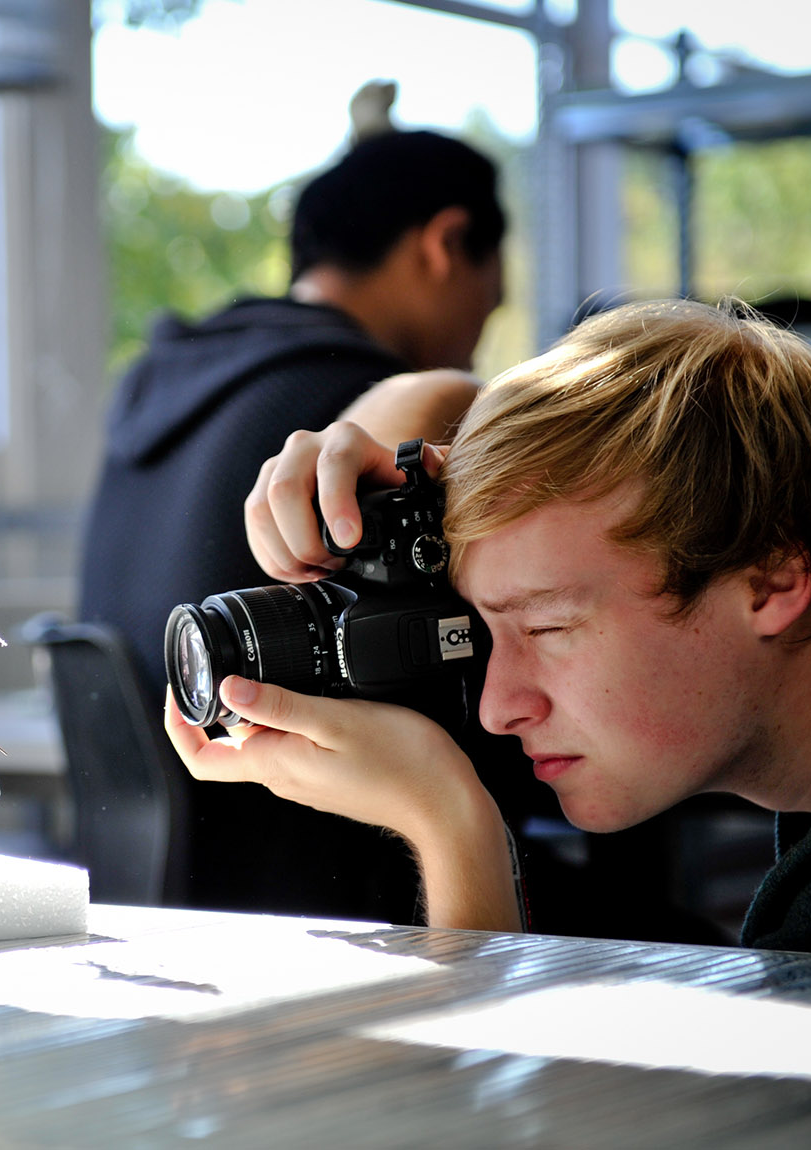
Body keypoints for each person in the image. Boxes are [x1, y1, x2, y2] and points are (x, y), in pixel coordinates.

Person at [171, 298, 811, 965]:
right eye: (490, 626)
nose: (498, 707)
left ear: (773, 580)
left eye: (550, 626)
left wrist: (449, 825)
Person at [77, 128, 506, 919]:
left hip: (159, 899)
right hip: (339, 902)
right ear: (447, 244)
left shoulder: (159, 390)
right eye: (491, 296)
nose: (484, 320)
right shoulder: (343, 416)